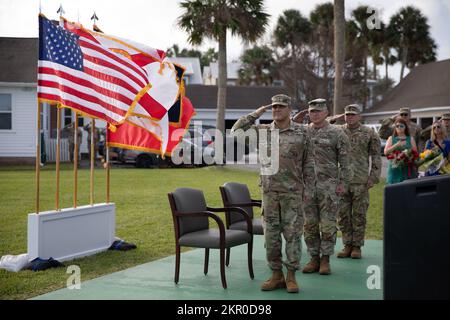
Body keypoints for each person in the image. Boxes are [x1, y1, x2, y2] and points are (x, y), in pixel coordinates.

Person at [231, 94, 315, 293]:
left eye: (281, 107)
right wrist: (256, 113)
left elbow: (309, 164)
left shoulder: (302, 133)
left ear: (289, 110)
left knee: (293, 235)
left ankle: (291, 275)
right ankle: (276, 275)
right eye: (274, 107)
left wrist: (309, 191)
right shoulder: (262, 131)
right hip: (269, 193)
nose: (276, 110)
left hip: (293, 193)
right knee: (271, 236)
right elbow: (236, 131)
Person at [299, 98, 352, 275]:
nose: (314, 114)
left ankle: (325, 259)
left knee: (328, 225)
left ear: (326, 113)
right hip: (307, 187)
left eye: (318, 111)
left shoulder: (337, 133)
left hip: (329, 188)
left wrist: (343, 184)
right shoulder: (303, 132)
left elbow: (345, 162)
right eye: (312, 111)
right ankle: (313, 258)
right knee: (310, 225)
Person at [335, 104, 381, 259]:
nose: (349, 117)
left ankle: (357, 246)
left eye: (353, 115)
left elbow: (376, 156)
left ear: (359, 116)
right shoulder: (338, 131)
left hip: (360, 181)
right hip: (341, 181)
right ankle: (347, 244)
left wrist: (373, 177)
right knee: (343, 215)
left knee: (359, 215)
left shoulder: (369, 133)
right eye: (347, 114)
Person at [384, 117, 418, 184]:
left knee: (407, 188)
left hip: (407, 167)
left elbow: (415, 153)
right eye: (397, 126)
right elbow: (386, 152)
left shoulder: (410, 139)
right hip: (394, 168)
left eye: (401, 126)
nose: (399, 127)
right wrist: (396, 145)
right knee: (394, 189)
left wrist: (408, 155)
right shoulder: (391, 138)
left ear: (405, 127)